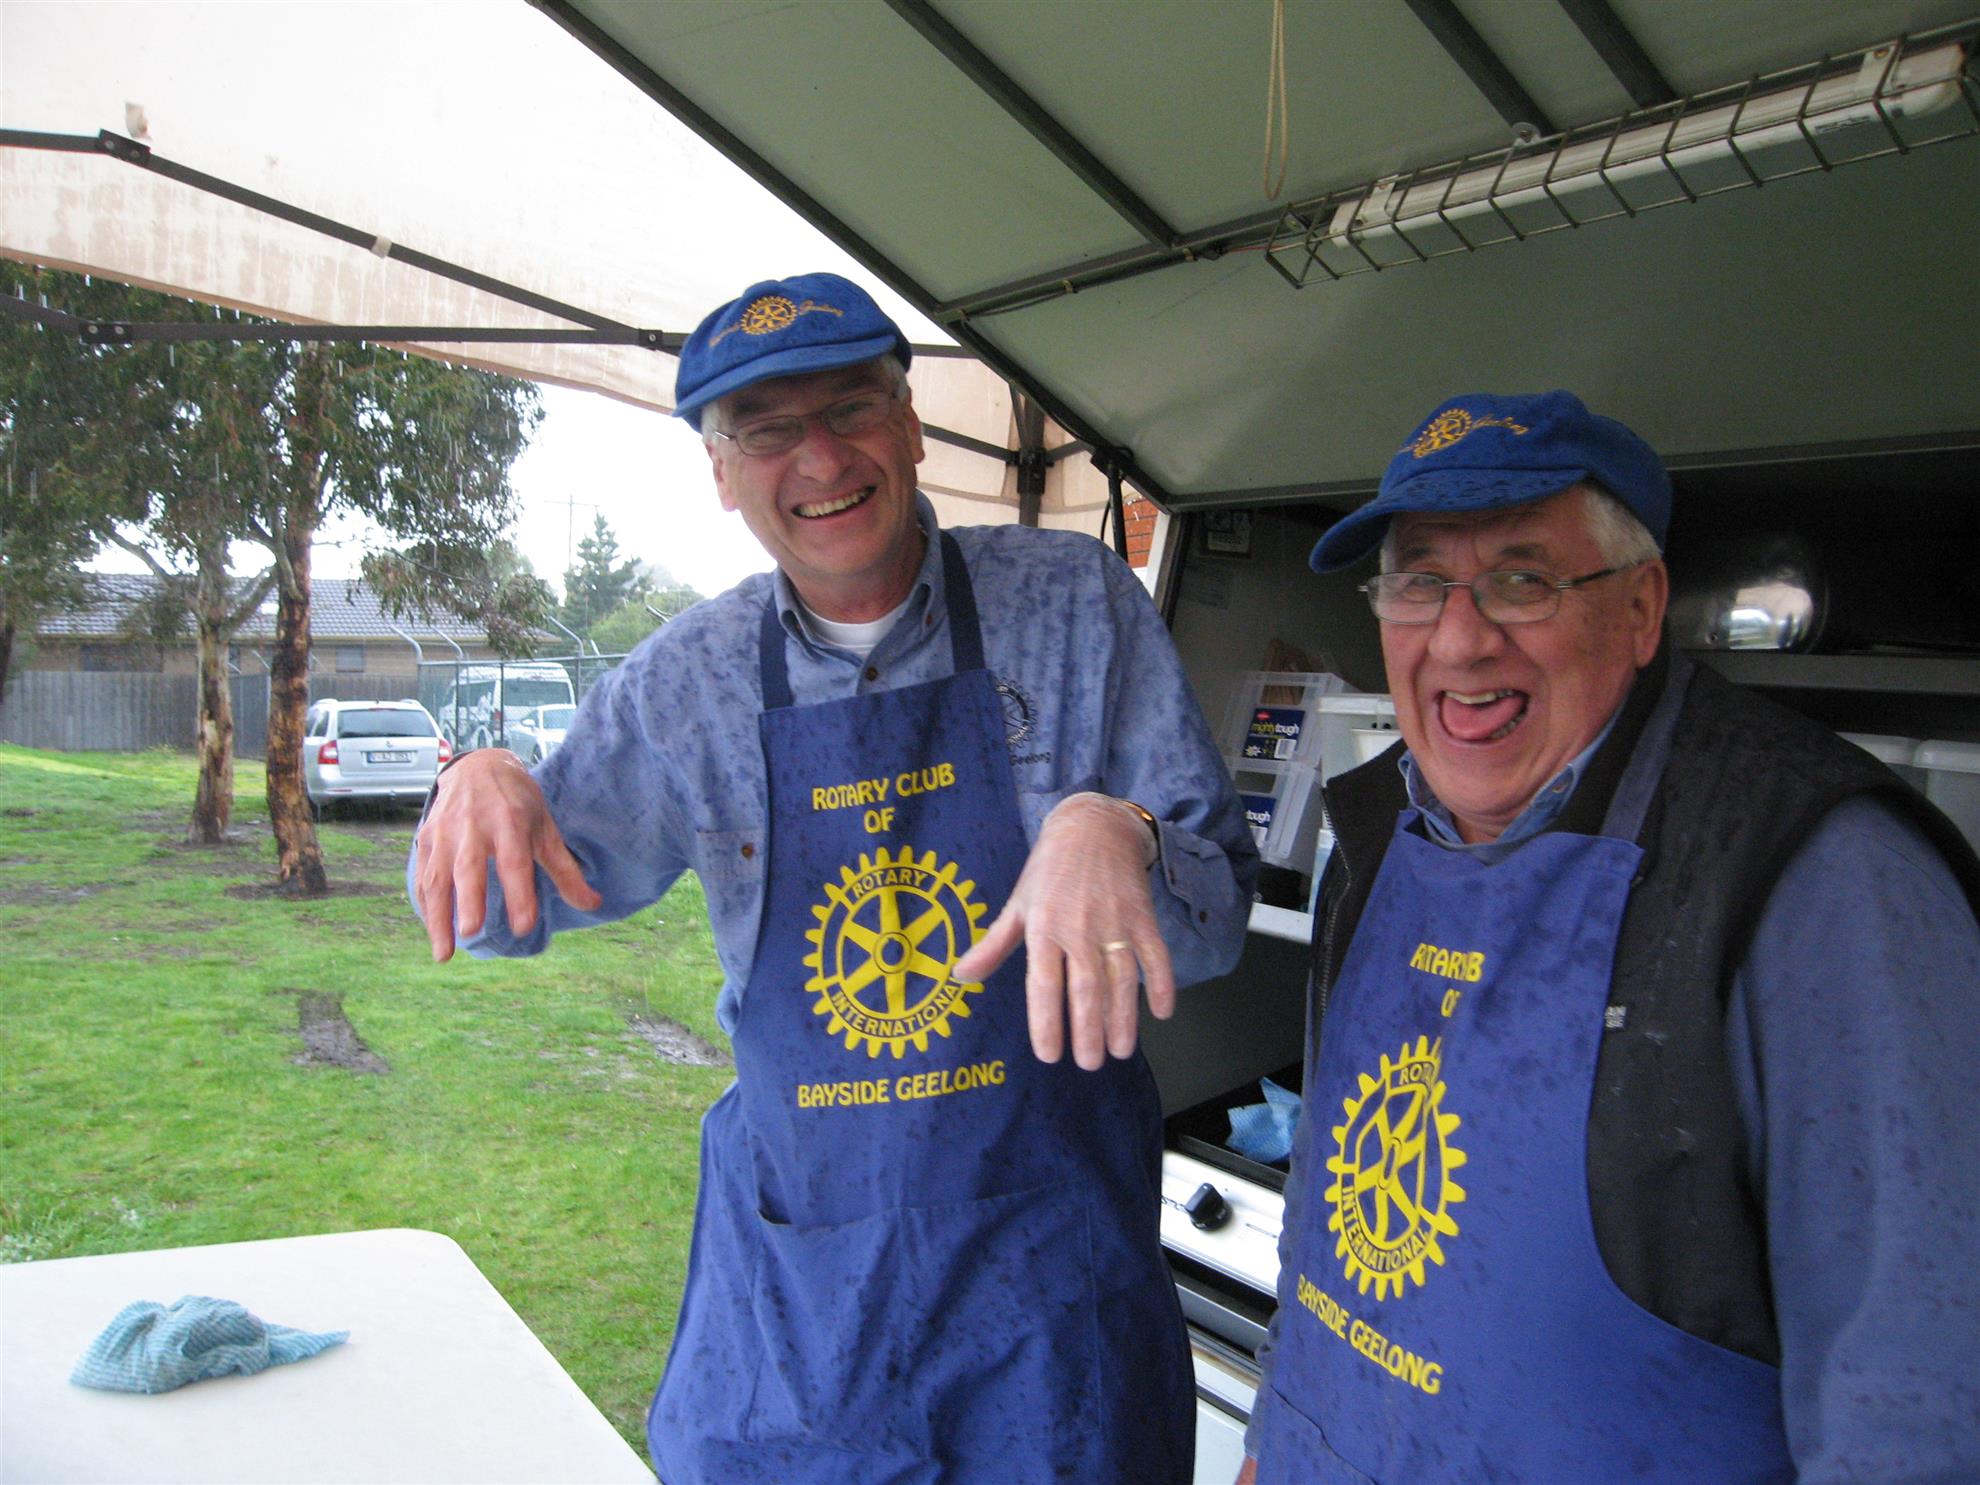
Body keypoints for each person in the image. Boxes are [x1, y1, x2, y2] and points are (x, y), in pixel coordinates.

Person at [410, 271, 1257, 1484]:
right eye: (766, 431)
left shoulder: (1076, 605)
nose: (819, 459)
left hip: (1052, 1301)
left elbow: (1217, 926)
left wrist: (1117, 828)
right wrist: (475, 784)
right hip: (802, 1311)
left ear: (910, 426)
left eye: (852, 408)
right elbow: (498, 911)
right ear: (722, 474)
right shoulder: (686, 682)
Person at [1241, 391, 1980, 1484]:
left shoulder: (1822, 879)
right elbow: (1329, 1218)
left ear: (1641, 608)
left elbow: (1917, 1413)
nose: (1459, 638)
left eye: (1522, 580)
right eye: (1419, 581)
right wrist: (1270, 1441)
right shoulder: (1372, 834)